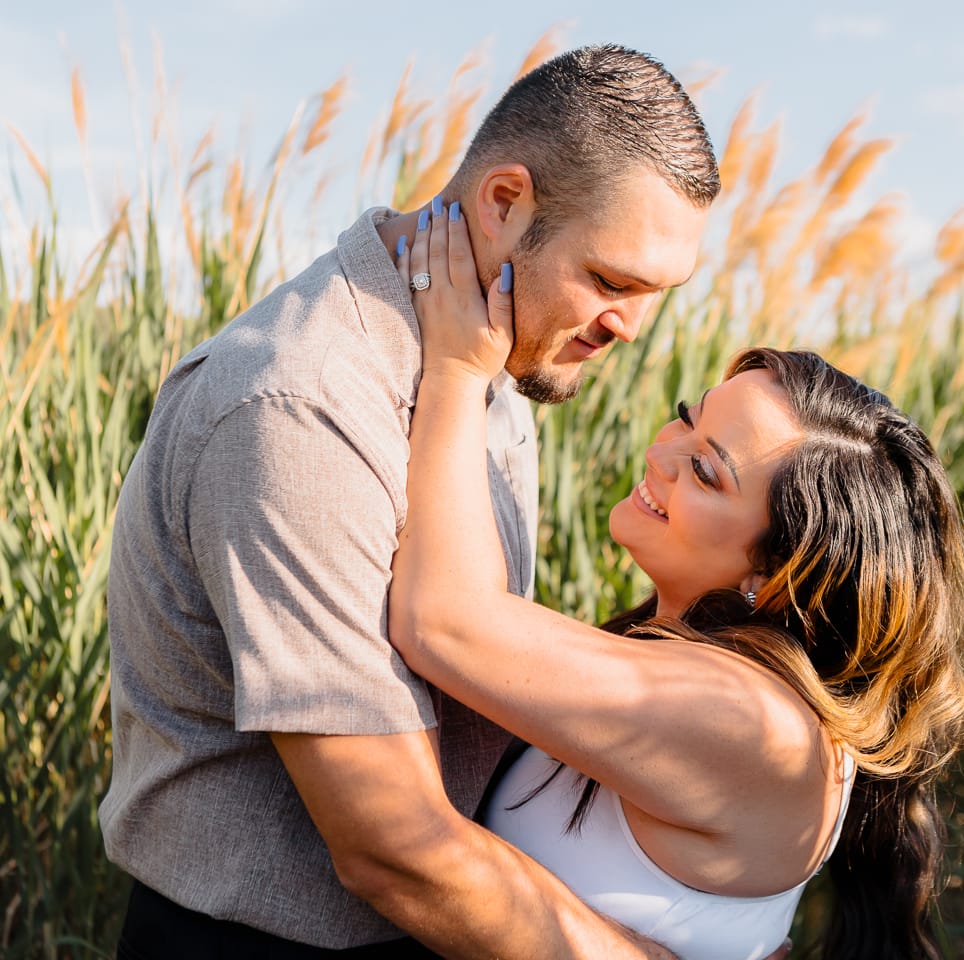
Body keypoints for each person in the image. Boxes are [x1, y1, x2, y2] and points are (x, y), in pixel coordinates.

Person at [101, 44, 745, 959]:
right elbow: (389, 845)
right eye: (610, 281)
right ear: (504, 202)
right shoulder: (302, 406)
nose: (630, 329)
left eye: (654, 296)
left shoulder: (492, 353)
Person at [387, 209, 964, 959]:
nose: (663, 451)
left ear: (775, 574)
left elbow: (445, 620)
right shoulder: (684, 660)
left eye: (709, 472)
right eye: (689, 418)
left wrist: (458, 368)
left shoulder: (751, 722)